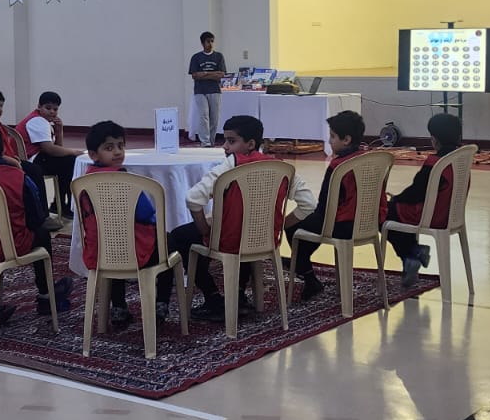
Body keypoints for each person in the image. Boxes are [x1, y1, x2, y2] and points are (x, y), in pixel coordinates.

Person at [160, 114, 315, 323]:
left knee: (179, 236)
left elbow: (193, 199)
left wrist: (205, 230)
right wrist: (278, 227)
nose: (225, 146)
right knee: (243, 233)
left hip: (230, 241)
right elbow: (309, 204)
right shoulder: (281, 167)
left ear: (250, 144)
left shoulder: (231, 165)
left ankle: (213, 298)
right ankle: (239, 295)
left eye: (231, 141)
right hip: (265, 240)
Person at [0, 124, 72, 321]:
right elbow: (36, 217)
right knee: (41, 233)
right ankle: (46, 295)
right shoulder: (18, 176)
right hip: (8, 247)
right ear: (3, 152)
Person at [282, 110, 380, 299]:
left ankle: (306, 274)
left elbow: (324, 206)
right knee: (308, 229)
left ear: (346, 140)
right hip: (369, 223)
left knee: (293, 227)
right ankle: (301, 263)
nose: (329, 141)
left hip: (342, 226)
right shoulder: (372, 159)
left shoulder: (338, 166)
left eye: (333, 136)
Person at [80, 120, 169, 326]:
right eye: (109, 147)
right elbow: (146, 213)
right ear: (93, 154)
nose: (118, 152)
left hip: (99, 250)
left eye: (121, 145)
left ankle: (119, 307)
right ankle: (160, 304)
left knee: (115, 248)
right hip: (134, 250)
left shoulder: (85, 179)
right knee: (168, 243)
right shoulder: (124, 180)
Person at [386, 112, 465, 287]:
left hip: (432, 216)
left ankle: (411, 254)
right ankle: (412, 254)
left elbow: (416, 192)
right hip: (450, 213)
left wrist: (396, 198)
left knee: (383, 213)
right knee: (398, 211)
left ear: (434, 139)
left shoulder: (435, 163)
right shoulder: (462, 158)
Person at [20, 91, 82, 220]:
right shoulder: (37, 121)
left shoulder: (43, 121)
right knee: (71, 160)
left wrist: (59, 131)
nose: (52, 112)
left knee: (67, 161)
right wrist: (73, 151)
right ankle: (64, 205)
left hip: (38, 157)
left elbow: (58, 148)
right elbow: (49, 149)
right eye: (48, 108)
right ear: (39, 106)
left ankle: (59, 204)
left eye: (55, 109)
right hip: (31, 161)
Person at [188, 31, 227, 146]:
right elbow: (195, 75)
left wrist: (204, 74)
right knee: (203, 116)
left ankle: (211, 140)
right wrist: (212, 74)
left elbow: (221, 74)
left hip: (215, 90)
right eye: (208, 41)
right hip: (200, 91)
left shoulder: (219, 56)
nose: (210, 44)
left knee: (214, 118)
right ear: (202, 43)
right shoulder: (196, 57)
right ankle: (205, 142)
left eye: (212, 41)